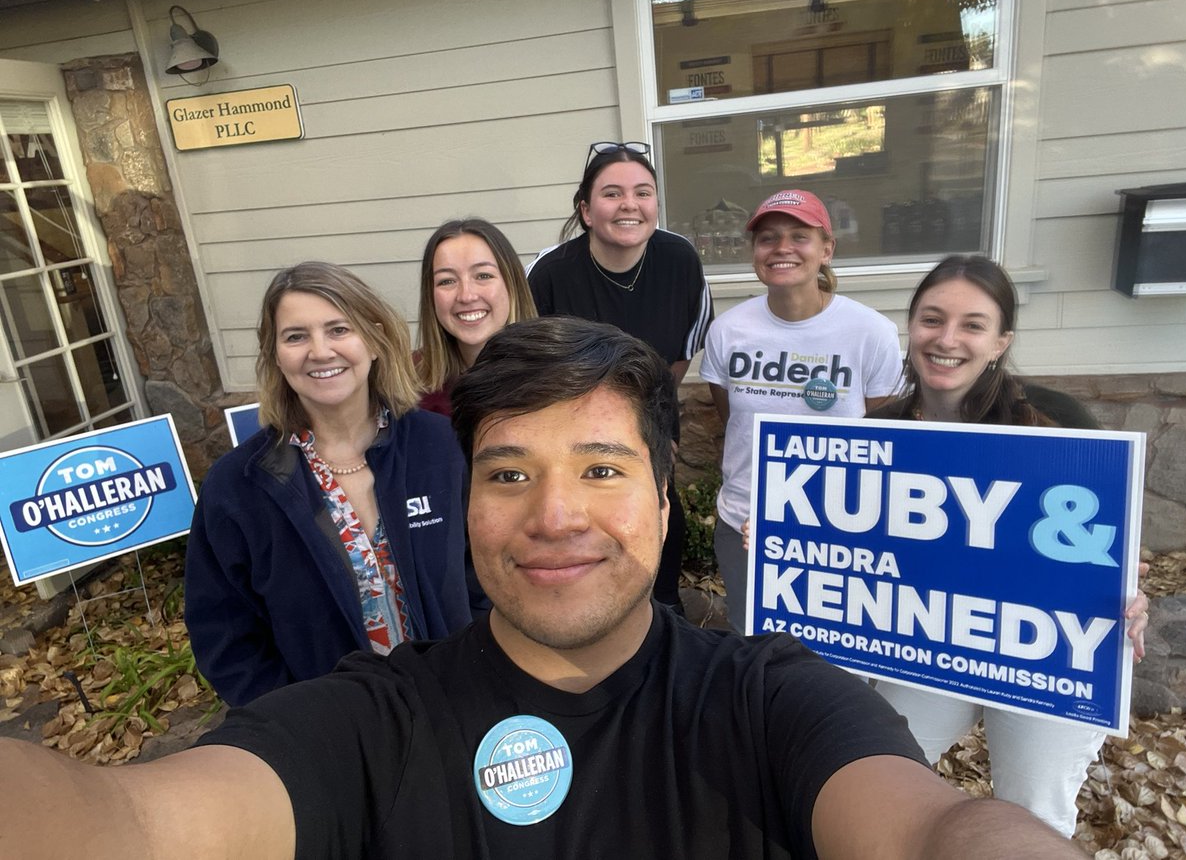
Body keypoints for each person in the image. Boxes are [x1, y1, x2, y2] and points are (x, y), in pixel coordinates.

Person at [1, 317, 1085, 859]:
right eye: (508, 474)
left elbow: (932, 829)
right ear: (466, 507)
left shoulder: (769, 697)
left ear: (668, 502)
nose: (554, 513)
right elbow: (132, 827)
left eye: (602, 471)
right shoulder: (374, 720)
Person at [870, 254, 1150, 837]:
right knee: (877, 771)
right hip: (928, 635)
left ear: (1001, 341)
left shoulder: (1055, 421)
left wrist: (1127, 592)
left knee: (1032, 818)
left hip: (1045, 649)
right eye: (932, 319)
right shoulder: (884, 429)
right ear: (912, 327)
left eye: (972, 324)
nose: (947, 339)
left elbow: (1105, 544)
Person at [184, 261, 477, 707]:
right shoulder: (237, 488)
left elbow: (487, 571)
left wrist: (480, 665)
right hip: (330, 734)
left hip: (457, 706)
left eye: (339, 329)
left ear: (375, 340)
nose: (320, 351)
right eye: (296, 336)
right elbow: (224, 635)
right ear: (276, 355)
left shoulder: (440, 448)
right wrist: (298, 719)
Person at [700, 189, 903, 632]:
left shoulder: (870, 332)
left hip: (837, 530)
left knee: (831, 648)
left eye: (799, 236)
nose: (782, 249)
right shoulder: (727, 330)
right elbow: (735, 421)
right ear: (754, 251)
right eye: (768, 238)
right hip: (746, 524)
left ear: (826, 249)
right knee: (751, 641)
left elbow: (883, 436)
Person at [526, 140, 713, 612]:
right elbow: (537, 372)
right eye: (613, 194)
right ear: (587, 211)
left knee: (658, 527)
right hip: (573, 432)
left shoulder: (681, 260)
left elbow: (678, 355)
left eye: (643, 192)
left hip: (651, 422)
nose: (630, 204)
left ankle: (666, 618)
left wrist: (654, 424)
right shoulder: (549, 274)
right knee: (591, 537)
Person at [414, 217, 537, 416]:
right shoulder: (410, 388)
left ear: (512, 284)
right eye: (447, 281)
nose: (466, 296)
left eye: (483, 276)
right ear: (431, 295)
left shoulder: (554, 379)